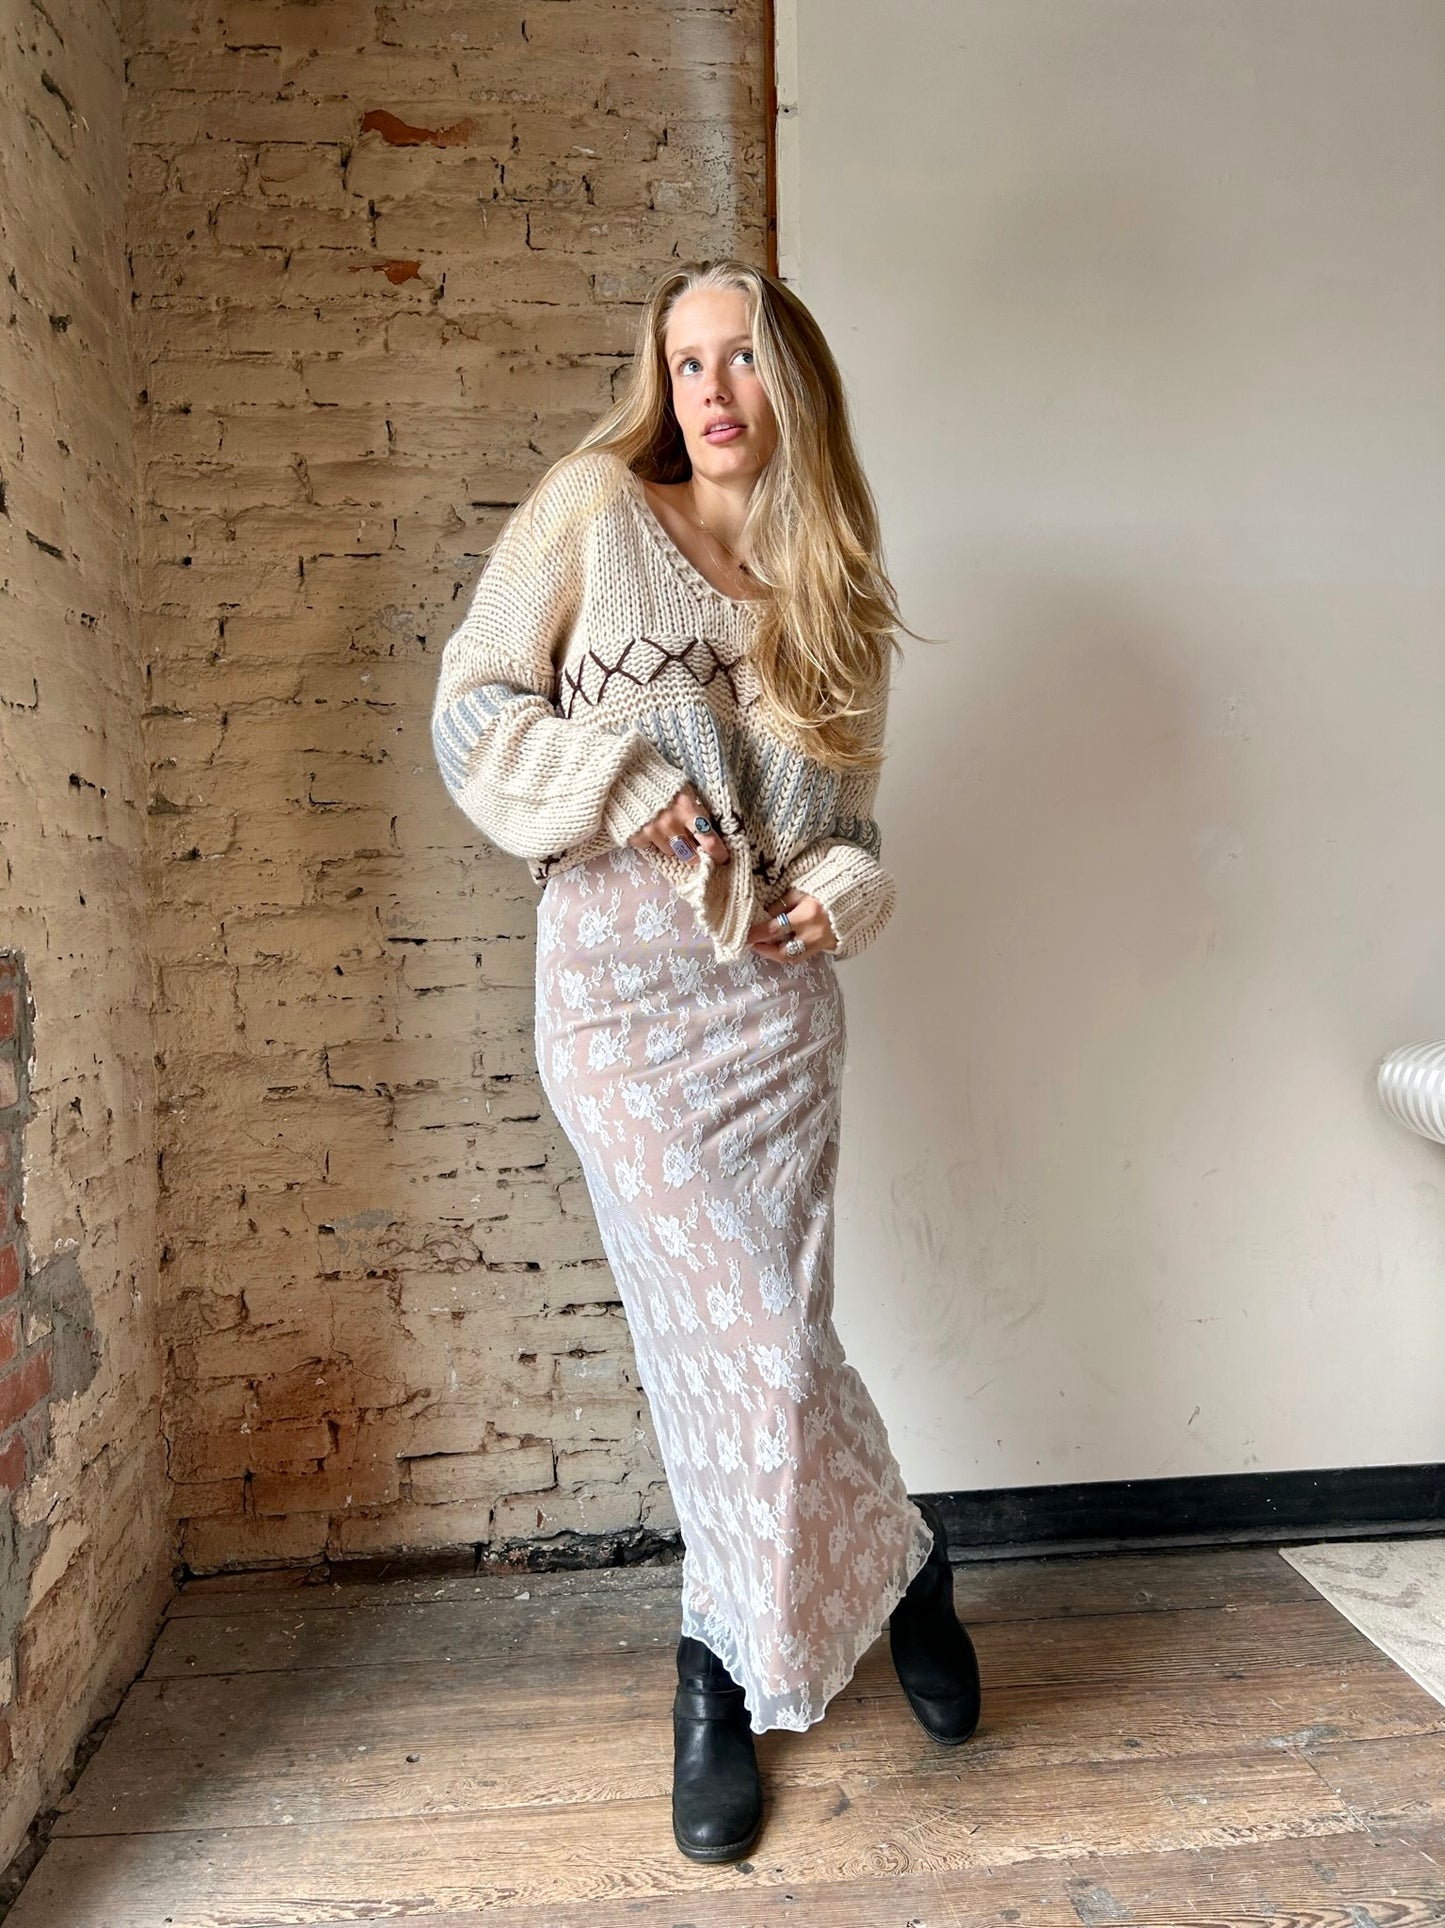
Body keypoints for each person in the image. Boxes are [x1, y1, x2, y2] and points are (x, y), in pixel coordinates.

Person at [430, 259, 980, 1864]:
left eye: (739, 358)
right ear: (659, 387)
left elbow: (852, 836)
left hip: (771, 1011)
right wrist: (615, 783)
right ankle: (844, 1598)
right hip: (613, 989)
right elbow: (469, 711)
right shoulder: (592, 509)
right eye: (685, 364)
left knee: (775, 1345)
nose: (713, 391)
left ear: (788, 379)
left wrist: (841, 896)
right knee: (734, 1341)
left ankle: (736, 1653)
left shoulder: (836, 591)